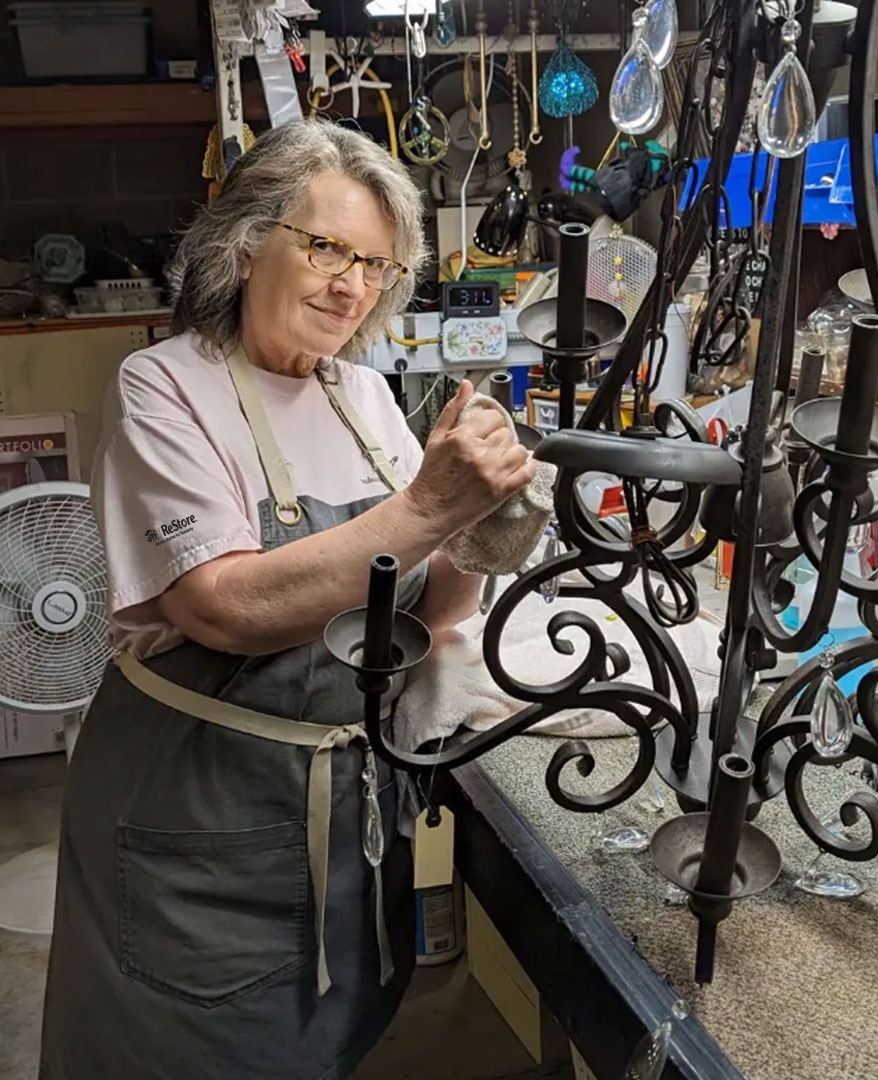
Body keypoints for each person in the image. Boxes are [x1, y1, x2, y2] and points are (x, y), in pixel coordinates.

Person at [40, 118, 534, 1080]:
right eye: (326, 246)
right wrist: (430, 504)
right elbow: (222, 607)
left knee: (320, 1045)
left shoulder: (368, 398)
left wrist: (483, 532)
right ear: (245, 241)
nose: (351, 283)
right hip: (201, 824)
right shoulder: (166, 386)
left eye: (377, 267)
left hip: (345, 820)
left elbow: (427, 623)